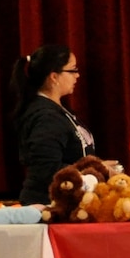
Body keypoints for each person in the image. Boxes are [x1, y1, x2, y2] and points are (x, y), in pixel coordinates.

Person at [10, 44, 94, 206]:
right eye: (72, 70)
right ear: (54, 77)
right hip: (48, 205)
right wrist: (93, 170)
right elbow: (47, 168)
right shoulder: (45, 116)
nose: (77, 75)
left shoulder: (57, 110)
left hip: (67, 200)